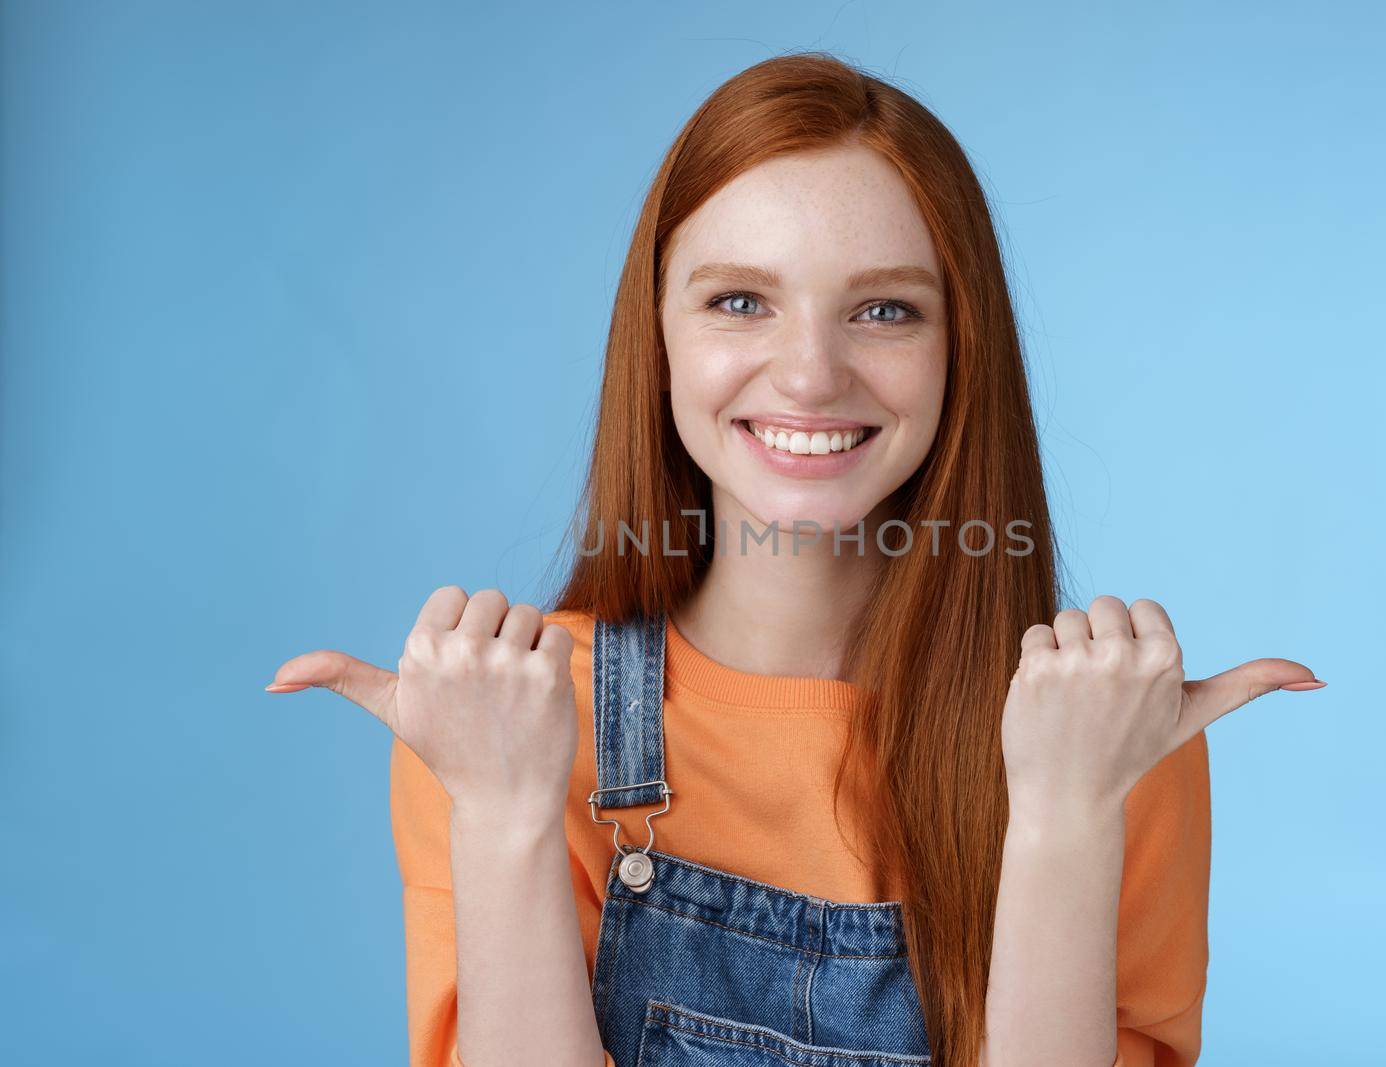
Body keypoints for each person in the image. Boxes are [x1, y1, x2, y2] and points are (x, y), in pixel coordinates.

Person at [267, 51, 1324, 1067]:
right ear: (659, 335)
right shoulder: (504, 720)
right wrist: (501, 815)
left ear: (963, 350)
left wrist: (1064, 817)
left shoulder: (1104, 730)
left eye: (884, 310)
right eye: (739, 300)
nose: (811, 375)